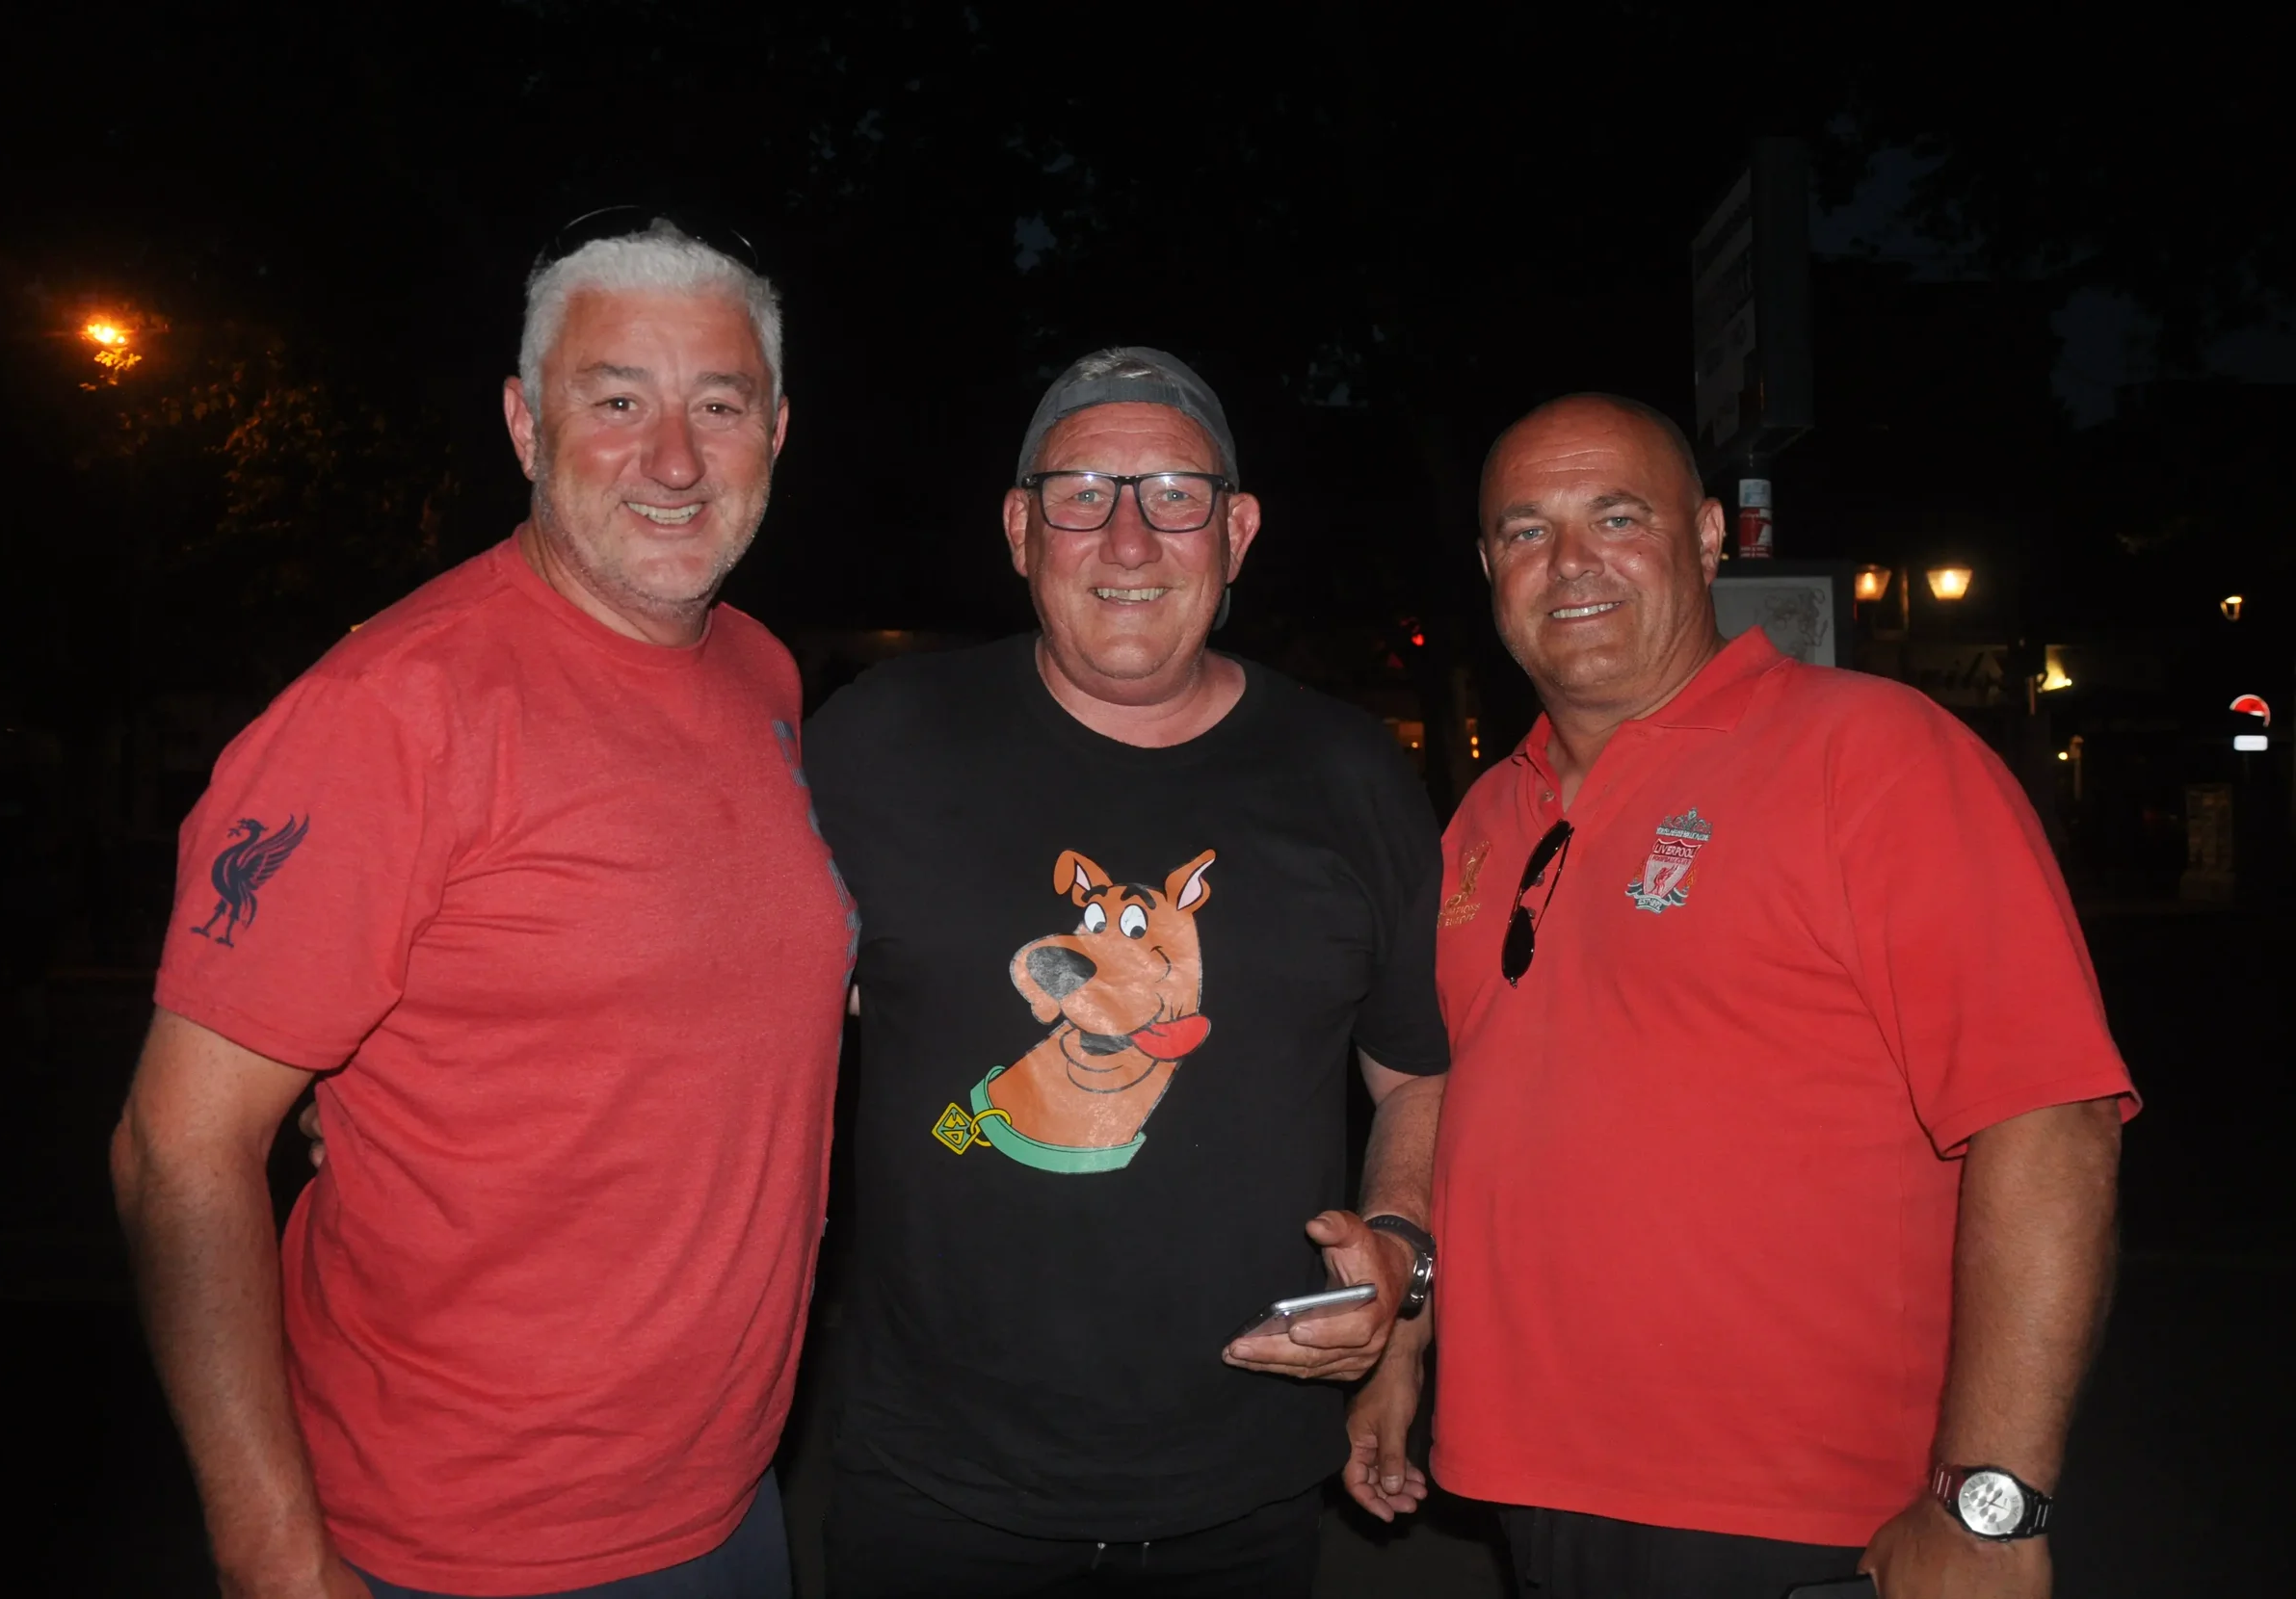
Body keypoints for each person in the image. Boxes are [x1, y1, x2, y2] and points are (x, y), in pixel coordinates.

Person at [109, 221, 853, 1599]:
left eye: (719, 405)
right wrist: (274, 1556)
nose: (674, 460)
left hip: (726, 1501)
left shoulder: (760, 672)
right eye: (615, 400)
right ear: (524, 423)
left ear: (778, 430)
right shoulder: (386, 712)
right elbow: (176, 1149)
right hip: (460, 1540)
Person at [1378, 392, 2138, 1599]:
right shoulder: (1482, 813)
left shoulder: (1873, 754)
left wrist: (1986, 1504)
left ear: (1707, 538)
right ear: (1486, 568)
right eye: (1526, 530)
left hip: (1806, 1512)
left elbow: (2049, 1118)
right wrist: (1401, 1346)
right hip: (1533, 1481)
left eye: (1615, 517)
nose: (1569, 562)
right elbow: (1454, 1101)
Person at [802, 348, 1451, 1597]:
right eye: (1084, 494)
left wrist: (1398, 1259)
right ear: (1019, 529)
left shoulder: (1349, 772)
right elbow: (734, 1005)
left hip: (1245, 1481)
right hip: (935, 1485)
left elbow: (1417, 1071)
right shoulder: (880, 743)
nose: (1130, 539)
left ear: (1237, 531)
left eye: (1175, 495)